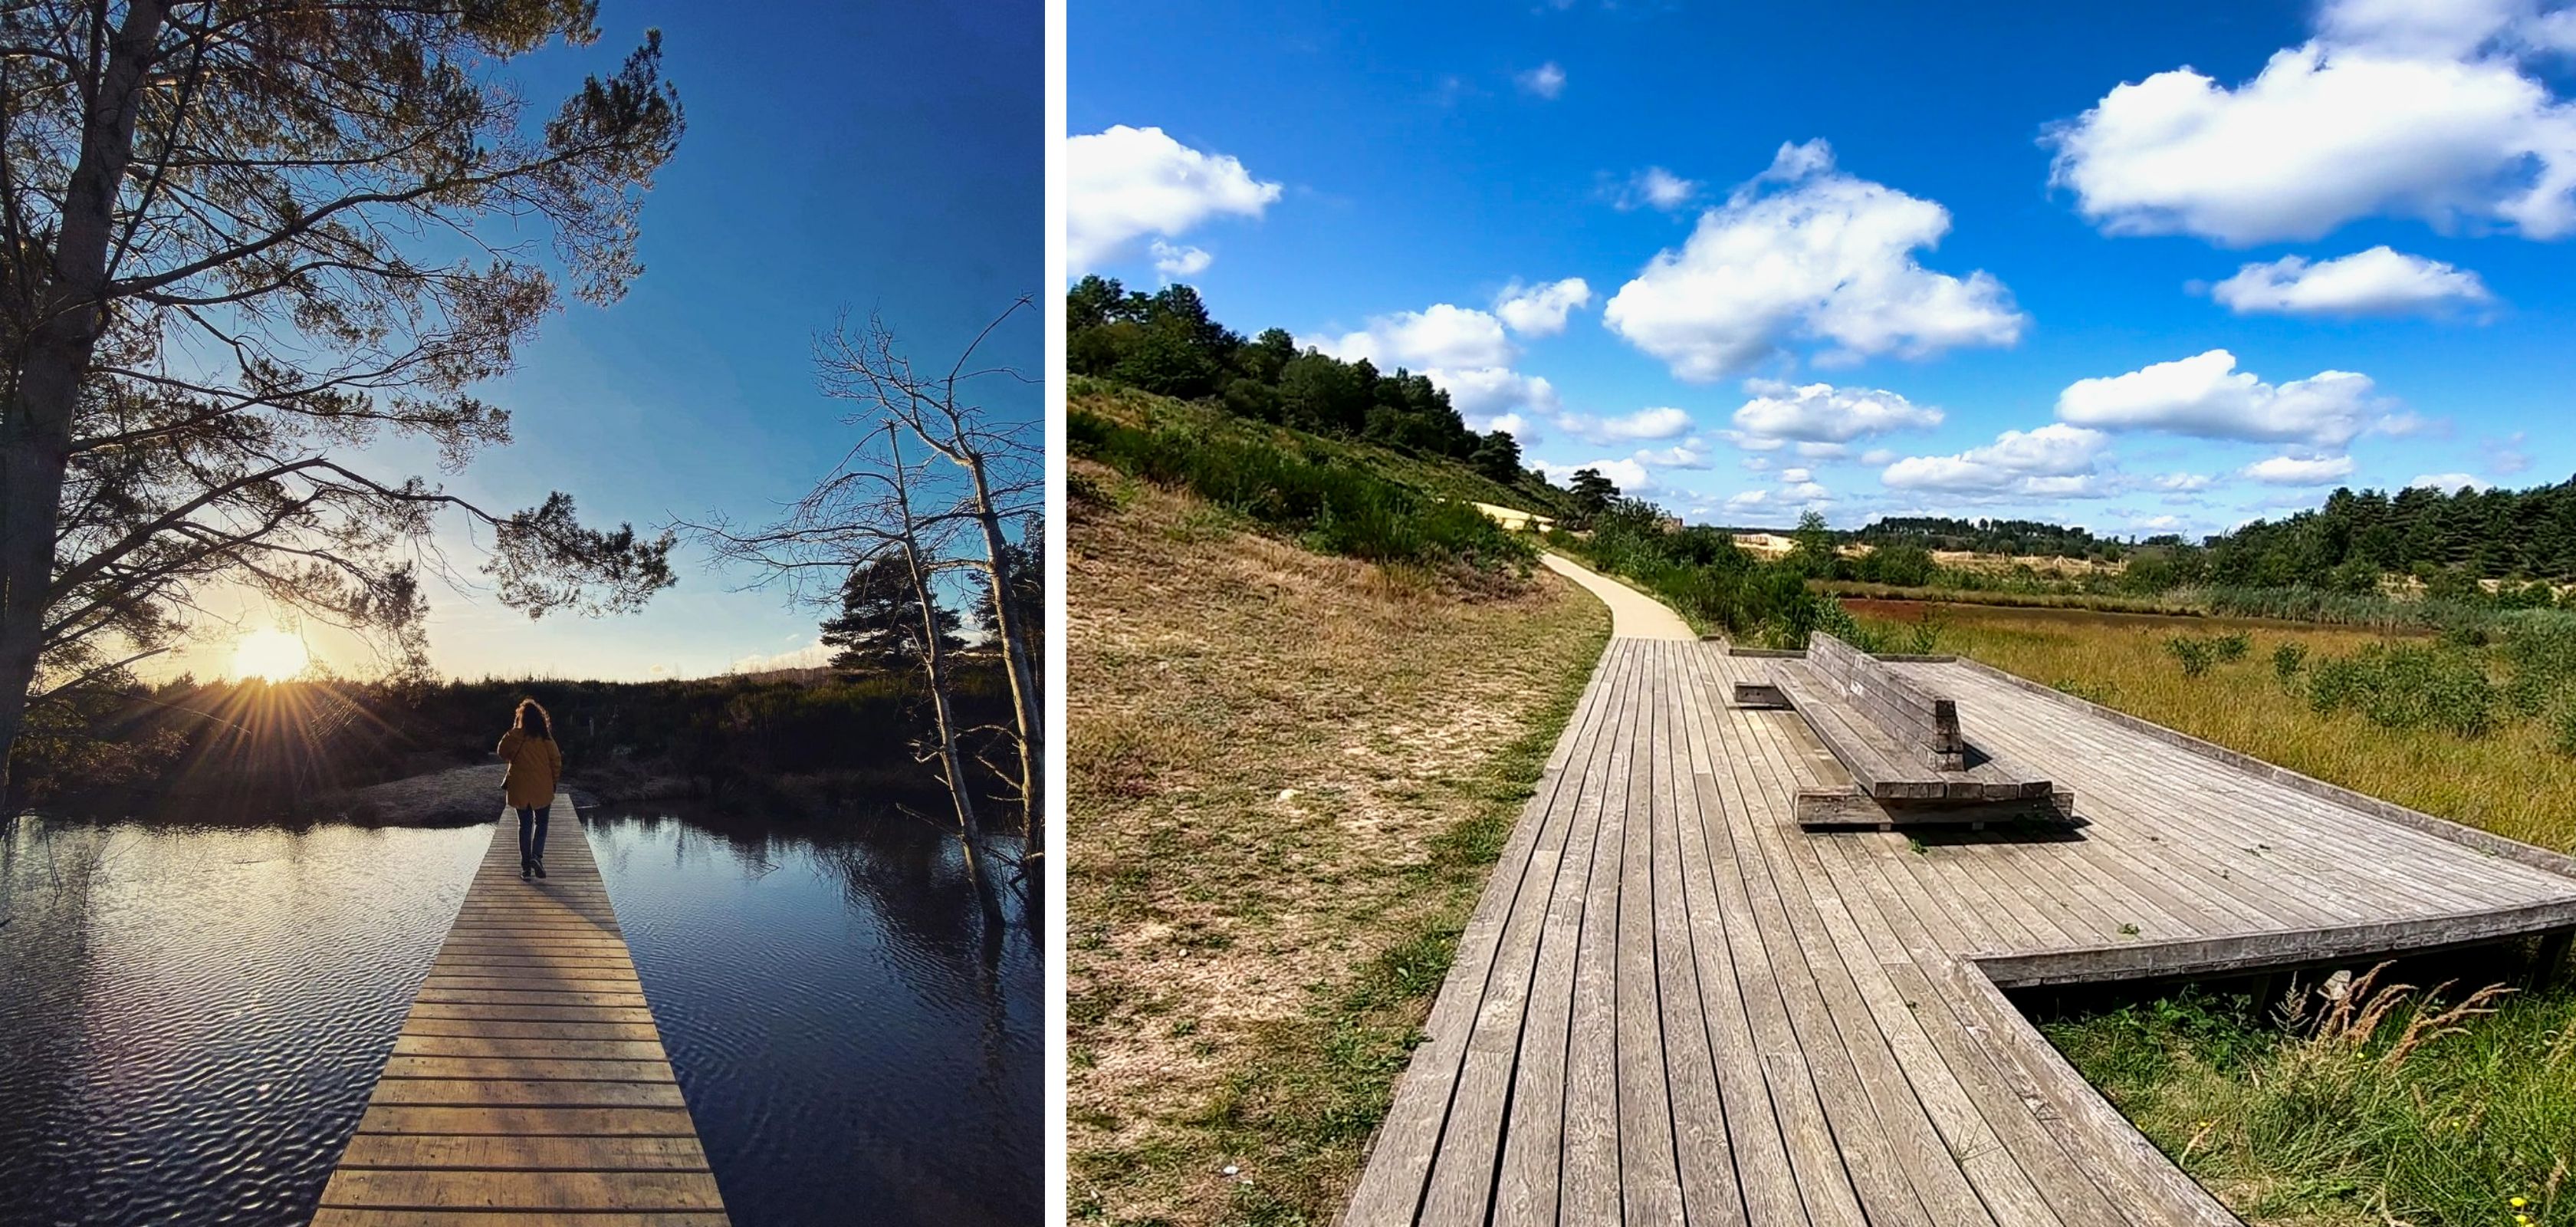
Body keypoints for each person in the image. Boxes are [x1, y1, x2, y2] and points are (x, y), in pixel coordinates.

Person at [495, 698, 565, 879]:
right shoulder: (546, 738)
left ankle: (526, 869)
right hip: (542, 788)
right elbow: (556, 761)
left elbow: (501, 752)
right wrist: (554, 781)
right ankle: (537, 857)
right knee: (542, 823)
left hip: (520, 789)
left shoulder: (514, 736)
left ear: (521, 718)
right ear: (541, 719)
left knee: (524, 826)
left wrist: (514, 730)